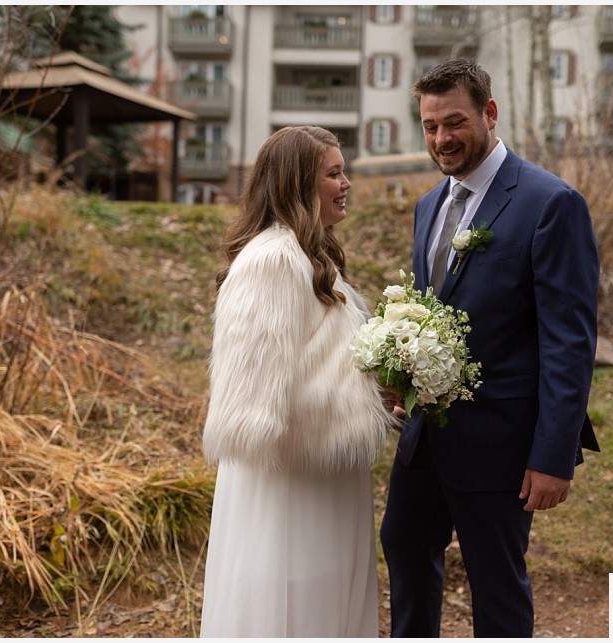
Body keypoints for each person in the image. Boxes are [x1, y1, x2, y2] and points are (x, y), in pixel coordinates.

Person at [380, 59, 600, 638]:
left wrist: (553, 455)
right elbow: (432, 318)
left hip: (502, 445)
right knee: (401, 546)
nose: (441, 139)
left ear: (490, 113)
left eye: (454, 123)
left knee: (496, 586)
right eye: (429, 126)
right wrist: (404, 382)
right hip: (425, 437)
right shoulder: (428, 207)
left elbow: (569, 341)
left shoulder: (551, 202)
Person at [199, 126, 397, 637]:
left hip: (324, 480)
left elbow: (320, 364)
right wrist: (361, 394)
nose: (346, 183)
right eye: (334, 173)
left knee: (326, 605)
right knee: (291, 610)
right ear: (297, 183)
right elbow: (253, 409)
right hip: (289, 489)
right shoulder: (271, 261)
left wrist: (383, 387)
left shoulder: (315, 259)